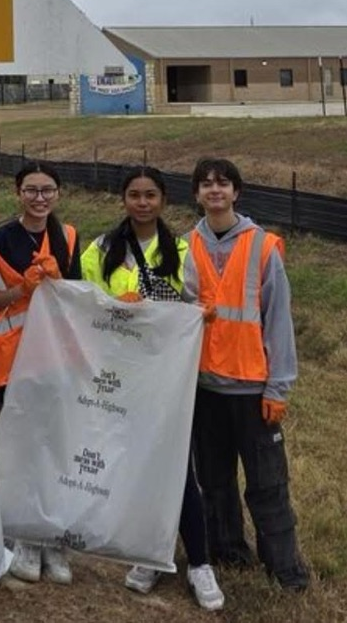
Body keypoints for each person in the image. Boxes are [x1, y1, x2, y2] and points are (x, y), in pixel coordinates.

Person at [81, 166, 225, 612]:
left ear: (163, 200)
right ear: (123, 199)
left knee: (179, 469)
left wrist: (203, 314)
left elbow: (194, 304)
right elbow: (84, 309)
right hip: (122, 375)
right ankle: (150, 552)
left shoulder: (183, 250)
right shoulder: (100, 250)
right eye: (134, 195)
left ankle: (199, 563)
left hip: (169, 375)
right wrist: (111, 306)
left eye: (151, 195)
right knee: (140, 466)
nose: (142, 203)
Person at [185, 157, 310, 592]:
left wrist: (278, 386)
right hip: (205, 389)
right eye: (206, 184)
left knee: (267, 486)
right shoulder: (189, 247)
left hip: (252, 389)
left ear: (236, 192)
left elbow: (278, 322)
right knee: (215, 481)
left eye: (223, 184)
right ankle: (229, 553)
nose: (214, 191)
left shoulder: (262, 246)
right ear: (197, 195)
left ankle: (285, 570)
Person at [0, 161, 81, 585]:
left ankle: (53, 539)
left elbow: (80, 299)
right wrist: (21, 290)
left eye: (47, 190)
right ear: (18, 192)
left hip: (55, 360)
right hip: (13, 362)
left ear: (58, 194)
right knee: (22, 449)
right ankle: (25, 536)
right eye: (31, 189)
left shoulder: (68, 238)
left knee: (54, 448)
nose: (40, 197)